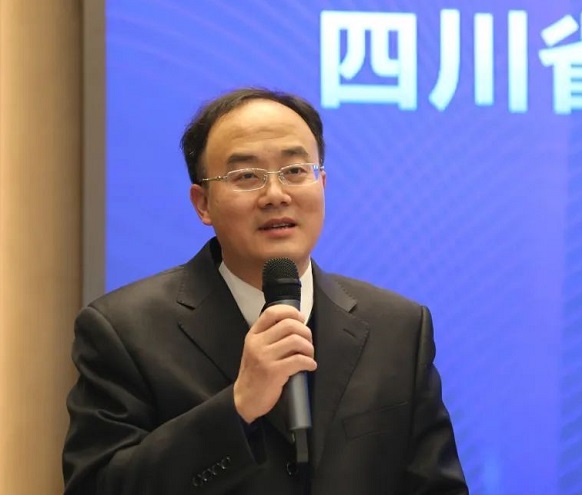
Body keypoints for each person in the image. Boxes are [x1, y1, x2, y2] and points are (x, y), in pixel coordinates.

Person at [62, 88, 468, 494]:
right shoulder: (123, 331)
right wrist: (237, 407)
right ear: (202, 204)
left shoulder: (398, 329)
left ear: (322, 183)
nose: (276, 195)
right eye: (246, 176)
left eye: (295, 170)